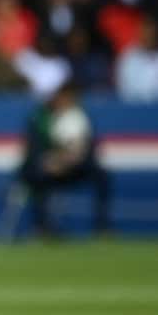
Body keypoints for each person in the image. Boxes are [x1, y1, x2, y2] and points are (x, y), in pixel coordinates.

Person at [18, 82, 111, 237]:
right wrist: (50, 162)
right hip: (47, 168)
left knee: (102, 176)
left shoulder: (79, 117)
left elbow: (88, 148)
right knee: (37, 177)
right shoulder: (39, 118)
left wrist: (72, 160)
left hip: (75, 167)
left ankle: (102, 226)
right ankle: (43, 227)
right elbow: (33, 152)